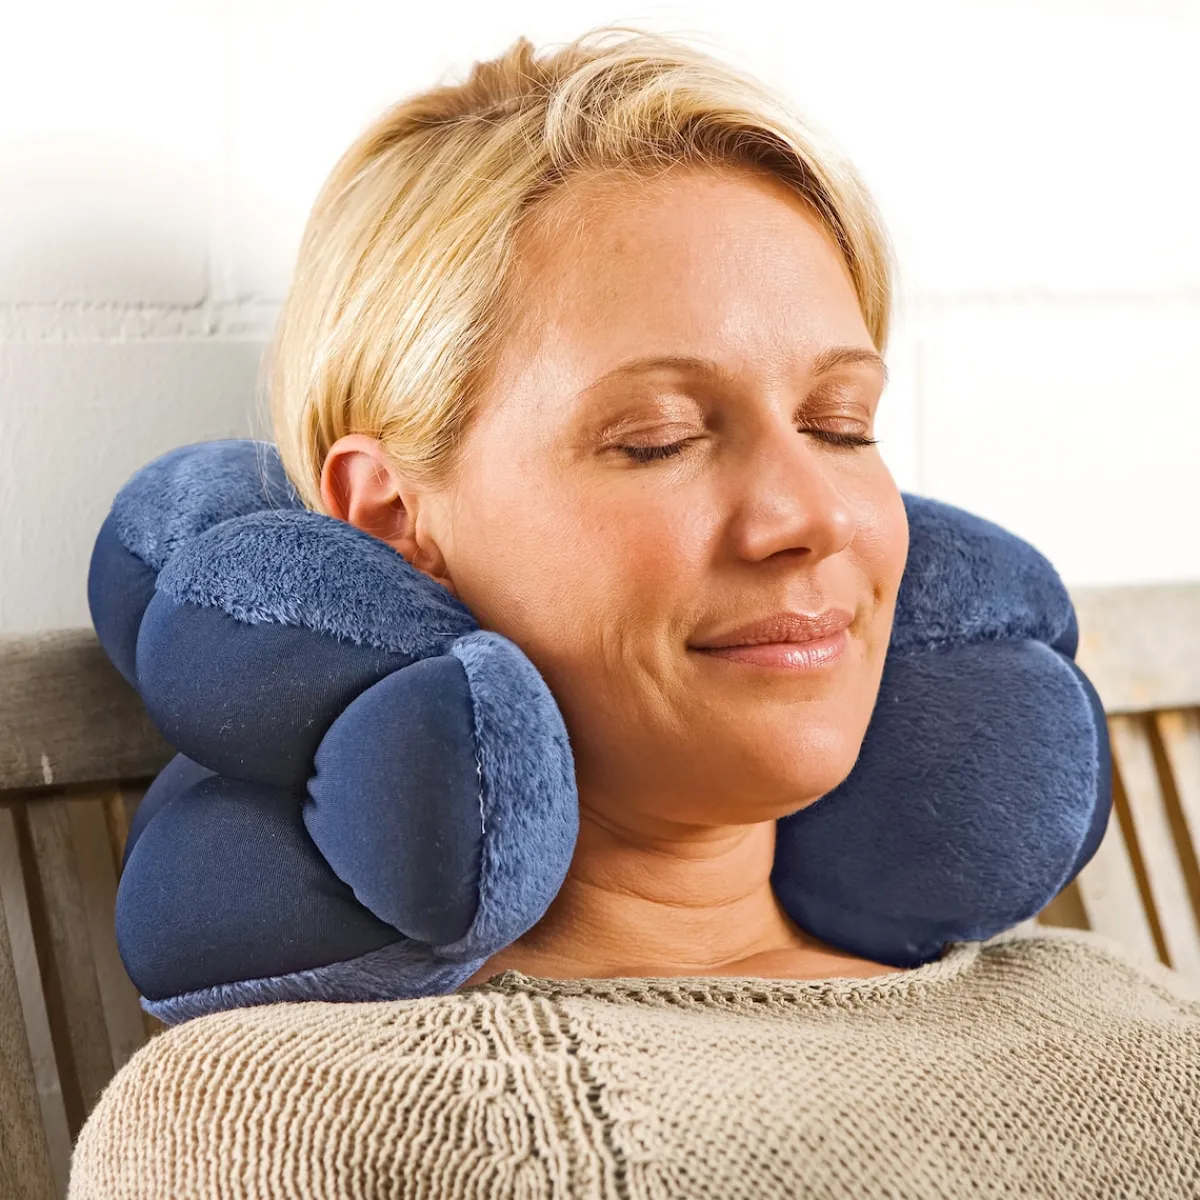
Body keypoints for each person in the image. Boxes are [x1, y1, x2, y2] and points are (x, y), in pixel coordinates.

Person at [68, 27, 1199, 1200]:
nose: (809, 515)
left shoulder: (1117, 1008)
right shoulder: (279, 1121)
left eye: (841, 426)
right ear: (391, 519)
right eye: (658, 438)